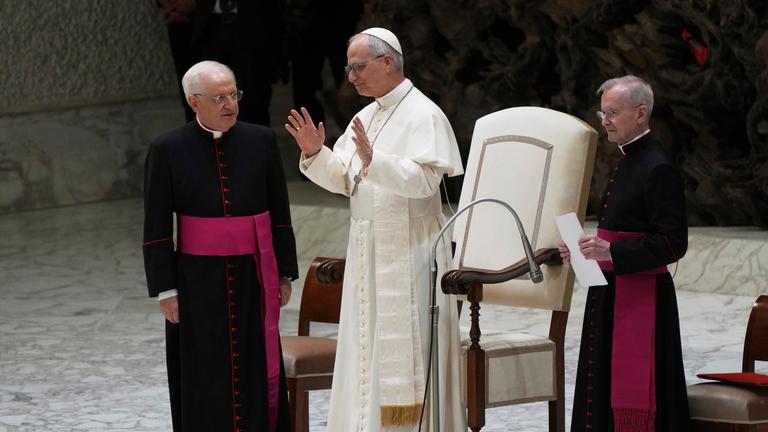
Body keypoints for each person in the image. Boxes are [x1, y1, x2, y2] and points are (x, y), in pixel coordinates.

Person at [284, 28, 467, 432]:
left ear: (388, 62)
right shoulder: (364, 116)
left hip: (410, 249)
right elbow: (348, 181)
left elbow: (424, 184)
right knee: (365, 349)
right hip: (368, 248)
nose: (350, 76)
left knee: (406, 353)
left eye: (358, 66)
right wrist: (316, 153)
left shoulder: (424, 114)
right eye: (348, 68)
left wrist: (375, 159)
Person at [143, 60, 298, 432]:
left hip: (254, 273)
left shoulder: (260, 140)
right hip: (196, 278)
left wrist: (284, 272)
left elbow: (279, 211)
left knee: (257, 360)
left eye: (234, 94)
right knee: (203, 365)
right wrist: (166, 289)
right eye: (219, 98)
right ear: (194, 102)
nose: (230, 104)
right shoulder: (167, 149)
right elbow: (157, 225)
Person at [559, 75, 690, 432]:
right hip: (609, 292)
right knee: (598, 384)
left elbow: (673, 243)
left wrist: (612, 250)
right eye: (602, 114)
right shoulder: (624, 160)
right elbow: (617, 234)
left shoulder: (658, 166)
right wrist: (583, 249)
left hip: (641, 299)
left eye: (613, 113)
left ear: (641, 113)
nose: (605, 121)